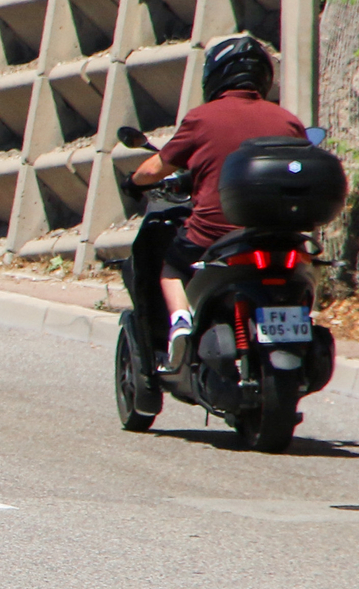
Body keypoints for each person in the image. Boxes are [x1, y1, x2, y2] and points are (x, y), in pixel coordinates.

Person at [129, 34, 306, 370]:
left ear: (216, 75)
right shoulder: (288, 121)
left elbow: (154, 168)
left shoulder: (202, 118)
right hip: (280, 235)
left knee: (170, 267)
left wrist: (133, 181)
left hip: (214, 234)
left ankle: (180, 322)